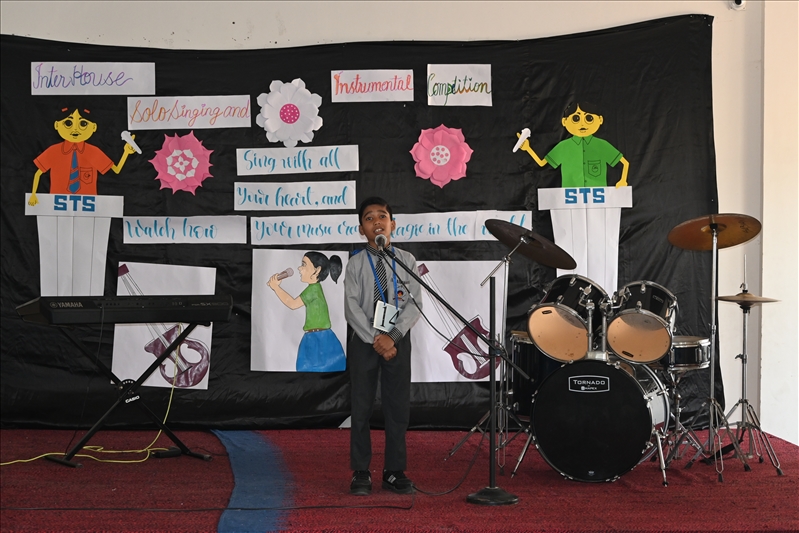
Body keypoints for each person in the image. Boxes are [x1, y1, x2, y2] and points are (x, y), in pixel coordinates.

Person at [344, 196, 422, 495]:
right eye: (369, 218)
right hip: (365, 341)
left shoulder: (406, 260)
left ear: (393, 224)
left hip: (397, 341)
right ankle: (361, 470)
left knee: (397, 407)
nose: (376, 221)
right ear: (361, 229)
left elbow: (415, 304)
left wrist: (393, 336)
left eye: (382, 216)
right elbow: (352, 307)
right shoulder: (355, 263)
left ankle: (394, 470)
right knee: (361, 406)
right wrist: (375, 339)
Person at [29, 108, 137, 206]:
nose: (75, 129)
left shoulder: (93, 151)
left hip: (87, 206)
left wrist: (126, 152)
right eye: (68, 123)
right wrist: (33, 195)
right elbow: (38, 173)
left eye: (83, 124)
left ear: (94, 127)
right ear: (57, 125)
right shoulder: (54, 151)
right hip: (58, 204)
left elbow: (116, 170)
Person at [518, 101, 629, 188]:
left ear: (600, 120)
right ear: (564, 121)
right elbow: (542, 163)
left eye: (589, 118)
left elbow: (625, 163)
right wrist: (528, 148)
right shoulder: (564, 146)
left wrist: (623, 180)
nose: (582, 123)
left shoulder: (602, 145)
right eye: (576, 118)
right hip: (570, 199)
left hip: (597, 199)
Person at [267, 252, 346, 372]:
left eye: (304, 264)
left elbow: (292, 304)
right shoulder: (314, 289)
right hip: (316, 338)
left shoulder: (313, 290)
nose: (300, 268)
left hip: (319, 340)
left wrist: (276, 288)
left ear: (317, 270)